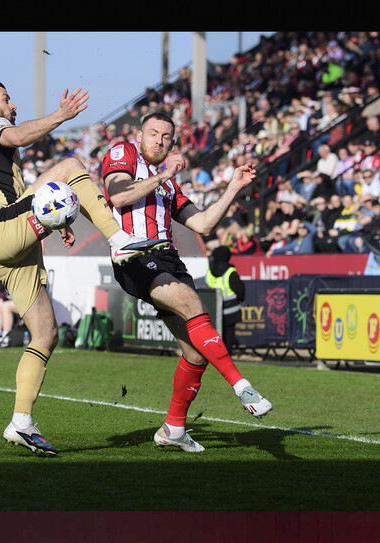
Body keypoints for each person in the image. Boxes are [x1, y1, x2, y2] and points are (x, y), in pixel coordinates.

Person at [0, 79, 168, 456]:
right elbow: (20, 136)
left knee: (45, 335)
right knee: (72, 164)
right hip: (1, 226)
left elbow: (26, 194)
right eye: (5, 98)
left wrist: (60, 220)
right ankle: (119, 240)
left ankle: (21, 422)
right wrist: (62, 115)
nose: (12, 103)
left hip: (3, 246)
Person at [100, 111, 273, 453]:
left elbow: (205, 224)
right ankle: (241, 386)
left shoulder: (169, 184)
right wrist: (164, 174)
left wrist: (234, 187)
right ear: (140, 135)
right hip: (133, 256)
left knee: (195, 354)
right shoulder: (124, 154)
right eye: (153, 134)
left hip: (168, 259)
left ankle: (173, 429)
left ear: (173, 143)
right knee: (195, 307)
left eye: (166, 137)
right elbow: (118, 196)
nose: (159, 141)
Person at [202, 246, 245, 355]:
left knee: (214, 337)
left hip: (213, 312)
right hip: (230, 312)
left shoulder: (209, 271)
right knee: (228, 337)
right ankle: (226, 357)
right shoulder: (230, 272)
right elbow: (240, 292)